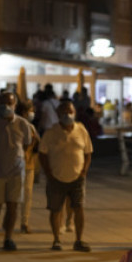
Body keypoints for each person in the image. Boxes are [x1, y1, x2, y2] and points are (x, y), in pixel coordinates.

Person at [0, 92, 36, 251]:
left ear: (15, 105)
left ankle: (8, 237)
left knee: (13, 206)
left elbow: (26, 145)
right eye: (2, 103)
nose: (5, 107)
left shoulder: (23, 124)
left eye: (9, 103)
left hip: (16, 170)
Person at [39, 100, 93, 251]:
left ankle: (79, 239)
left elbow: (88, 153)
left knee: (79, 208)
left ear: (75, 113)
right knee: (55, 209)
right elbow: (42, 153)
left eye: (70, 112)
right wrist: (48, 173)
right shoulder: (51, 133)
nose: (67, 115)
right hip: (56, 178)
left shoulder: (81, 130)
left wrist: (84, 172)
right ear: (57, 114)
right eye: (64, 112)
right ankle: (56, 240)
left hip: (77, 178)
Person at [16, 100, 40, 234]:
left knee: (27, 195)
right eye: (31, 110)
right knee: (14, 196)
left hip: (28, 165)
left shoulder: (31, 127)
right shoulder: (15, 125)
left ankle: (24, 222)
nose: (32, 113)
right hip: (15, 165)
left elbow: (37, 144)